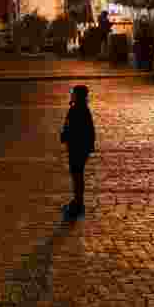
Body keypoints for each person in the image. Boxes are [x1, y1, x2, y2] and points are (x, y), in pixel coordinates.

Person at [60, 85, 96, 219]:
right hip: (80, 147)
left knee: (77, 175)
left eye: (73, 93)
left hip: (77, 148)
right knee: (77, 174)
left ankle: (78, 203)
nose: (71, 95)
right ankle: (77, 201)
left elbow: (77, 129)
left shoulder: (77, 109)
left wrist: (66, 135)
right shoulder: (80, 108)